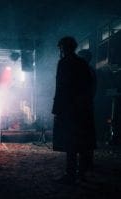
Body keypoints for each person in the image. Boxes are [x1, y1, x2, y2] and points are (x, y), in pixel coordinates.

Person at [52, 37, 96, 184]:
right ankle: (81, 173)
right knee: (82, 141)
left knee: (70, 142)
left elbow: (61, 88)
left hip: (69, 109)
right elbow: (88, 87)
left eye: (61, 48)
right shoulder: (82, 63)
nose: (60, 51)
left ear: (64, 48)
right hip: (82, 109)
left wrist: (57, 109)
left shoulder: (64, 63)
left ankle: (70, 174)